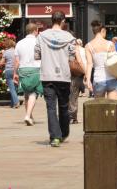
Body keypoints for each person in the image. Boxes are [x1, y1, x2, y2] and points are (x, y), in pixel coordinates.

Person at [34, 10, 77, 147]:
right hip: (64, 76)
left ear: (51, 20)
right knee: (64, 106)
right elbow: (71, 56)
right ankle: (63, 133)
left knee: (51, 107)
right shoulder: (69, 37)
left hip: (47, 75)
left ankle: (54, 137)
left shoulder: (42, 36)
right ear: (63, 21)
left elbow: (36, 54)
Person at [84, 20, 117, 101]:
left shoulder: (88, 46)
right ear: (102, 30)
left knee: (100, 110)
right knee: (113, 110)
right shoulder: (110, 44)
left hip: (98, 80)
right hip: (112, 78)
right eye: (105, 32)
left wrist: (88, 80)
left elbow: (89, 64)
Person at [15, 22, 42, 125]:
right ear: (35, 31)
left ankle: (29, 115)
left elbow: (17, 61)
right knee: (33, 93)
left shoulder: (19, 43)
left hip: (23, 69)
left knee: (27, 93)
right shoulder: (38, 42)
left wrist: (15, 73)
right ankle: (27, 115)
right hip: (35, 69)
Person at [68, 37, 87, 124]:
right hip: (76, 74)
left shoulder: (64, 49)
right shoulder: (76, 49)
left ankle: (70, 116)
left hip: (66, 75)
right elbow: (80, 61)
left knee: (69, 96)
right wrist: (86, 72)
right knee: (73, 96)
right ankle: (72, 116)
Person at [0, 37, 19, 108]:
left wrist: (3, 63)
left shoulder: (6, 52)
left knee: (11, 88)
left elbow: (1, 62)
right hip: (16, 70)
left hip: (8, 70)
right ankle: (12, 103)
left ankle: (16, 102)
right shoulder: (17, 51)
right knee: (15, 87)